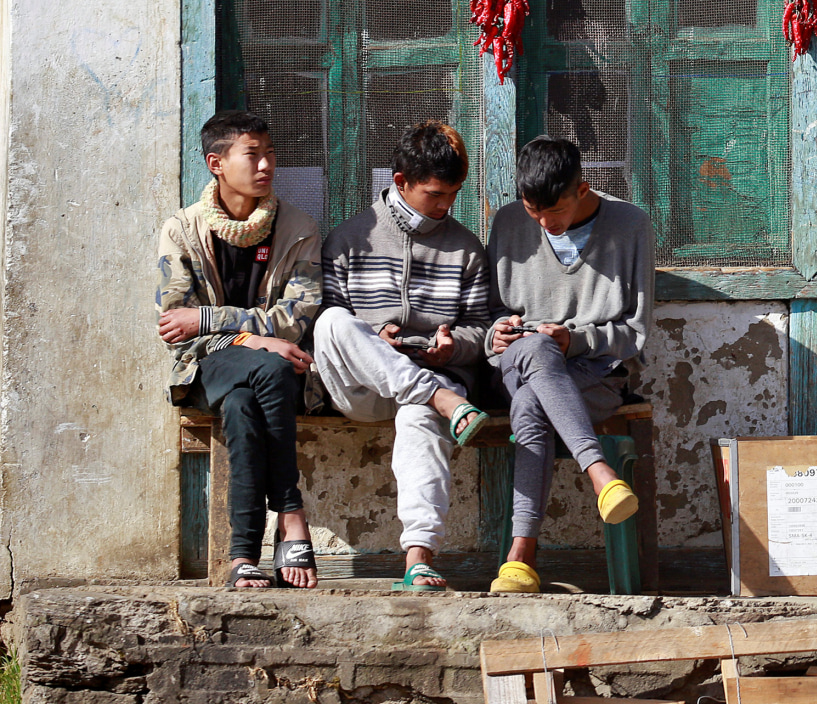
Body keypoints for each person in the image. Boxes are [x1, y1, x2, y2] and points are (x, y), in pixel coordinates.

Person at [312, 121, 495, 595]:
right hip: (365, 388)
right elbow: (335, 322)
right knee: (331, 323)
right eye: (436, 194)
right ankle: (439, 399)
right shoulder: (349, 240)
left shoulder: (467, 250)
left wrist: (456, 345)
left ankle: (418, 558)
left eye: (454, 193)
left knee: (420, 416)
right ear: (400, 182)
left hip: (436, 380)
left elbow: (481, 327)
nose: (446, 205)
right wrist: (377, 335)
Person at [157, 110, 322, 590]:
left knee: (246, 401)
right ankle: (291, 513)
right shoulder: (182, 230)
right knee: (268, 367)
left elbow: (298, 318)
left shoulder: (297, 228)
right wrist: (255, 337)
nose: (267, 164)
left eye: (271, 153)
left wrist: (215, 319)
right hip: (205, 366)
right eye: (253, 154)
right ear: (216, 163)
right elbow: (175, 325)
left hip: (269, 374)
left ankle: (241, 557)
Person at [485, 136, 652, 594]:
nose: (543, 222)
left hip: (595, 373)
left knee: (531, 407)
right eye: (533, 211)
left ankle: (521, 556)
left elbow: (634, 333)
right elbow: (487, 314)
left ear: (583, 189)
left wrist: (575, 340)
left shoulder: (630, 225)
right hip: (518, 359)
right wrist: (496, 331)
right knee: (536, 352)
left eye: (553, 211)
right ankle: (601, 474)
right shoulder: (508, 222)